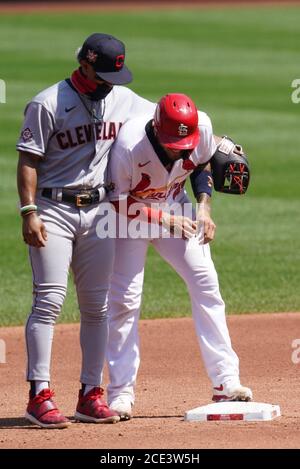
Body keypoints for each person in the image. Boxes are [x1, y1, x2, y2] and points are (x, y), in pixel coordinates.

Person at [16, 33, 155, 429]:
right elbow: (27, 160)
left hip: (100, 212)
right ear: (86, 65)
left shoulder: (122, 99)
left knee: (98, 308)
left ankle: (91, 393)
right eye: (106, 74)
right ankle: (38, 395)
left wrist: (212, 140)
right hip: (53, 208)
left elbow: (165, 114)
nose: (112, 83)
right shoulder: (47, 103)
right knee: (49, 300)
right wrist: (28, 212)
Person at [106, 93, 252, 420]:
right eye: (174, 143)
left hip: (178, 210)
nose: (180, 148)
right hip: (129, 220)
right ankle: (120, 394)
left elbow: (201, 164)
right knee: (125, 301)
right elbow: (117, 202)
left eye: (185, 142)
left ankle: (226, 381)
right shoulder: (130, 146)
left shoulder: (201, 128)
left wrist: (204, 207)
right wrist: (166, 220)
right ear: (157, 129)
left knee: (206, 284)